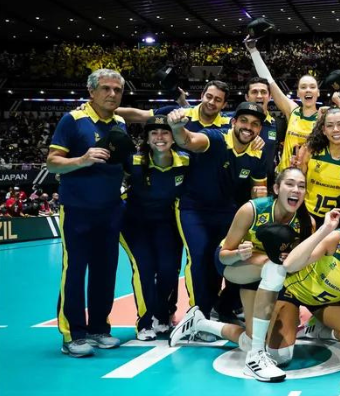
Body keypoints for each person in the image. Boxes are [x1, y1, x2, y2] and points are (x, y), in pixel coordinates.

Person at [171, 168, 313, 382]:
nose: (296, 190)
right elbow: (224, 256)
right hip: (237, 267)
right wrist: (239, 253)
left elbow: (299, 264)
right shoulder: (251, 210)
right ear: (276, 188)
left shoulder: (305, 222)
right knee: (273, 267)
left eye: (301, 186)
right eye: (290, 184)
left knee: (266, 348)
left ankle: (200, 323)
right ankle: (255, 358)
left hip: (271, 278)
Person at [47, 68, 129, 357]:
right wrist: (82, 159)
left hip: (110, 210)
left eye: (117, 90)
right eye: (106, 89)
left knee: (105, 272)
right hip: (78, 209)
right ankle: (73, 335)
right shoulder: (73, 120)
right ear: (91, 91)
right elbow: (52, 163)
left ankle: (98, 329)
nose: (112, 94)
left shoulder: (119, 122)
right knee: (75, 270)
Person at [168, 101, 269, 325]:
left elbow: (258, 189)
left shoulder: (257, 153)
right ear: (233, 122)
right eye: (243, 121)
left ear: (259, 129)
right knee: (202, 257)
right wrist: (176, 128)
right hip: (195, 210)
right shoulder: (215, 138)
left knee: (235, 260)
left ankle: (222, 307)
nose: (248, 127)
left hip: (228, 213)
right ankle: (198, 316)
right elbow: (190, 140)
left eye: (254, 124)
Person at [265, 190, 340, 367]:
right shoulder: (335, 239)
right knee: (279, 356)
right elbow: (289, 265)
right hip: (294, 292)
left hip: (327, 303)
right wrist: (325, 229)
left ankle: (318, 329)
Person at [120, 115, 189, 341]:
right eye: (154, 134)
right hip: (135, 225)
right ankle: (145, 321)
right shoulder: (134, 162)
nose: (160, 137)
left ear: (173, 137)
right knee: (144, 270)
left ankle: (162, 314)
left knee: (169, 271)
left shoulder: (185, 162)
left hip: (167, 225)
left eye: (165, 132)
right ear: (147, 140)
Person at [246, 38, 319, 172]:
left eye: (312, 87)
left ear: (318, 92)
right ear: (298, 93)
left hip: (309, 179)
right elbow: (269, 81)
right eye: (303, 87)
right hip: (284, 177)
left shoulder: (323, 118)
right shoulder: (293, 111)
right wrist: (253, 51)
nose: (308, 89)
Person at [115, 81, 230, 130]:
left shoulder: (230, 123)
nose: (211, 102)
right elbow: (139, 115)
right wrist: (104, 109)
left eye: (218, 100)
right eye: (209, 97)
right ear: (202, 96)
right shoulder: (176, 112)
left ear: (224, 104)